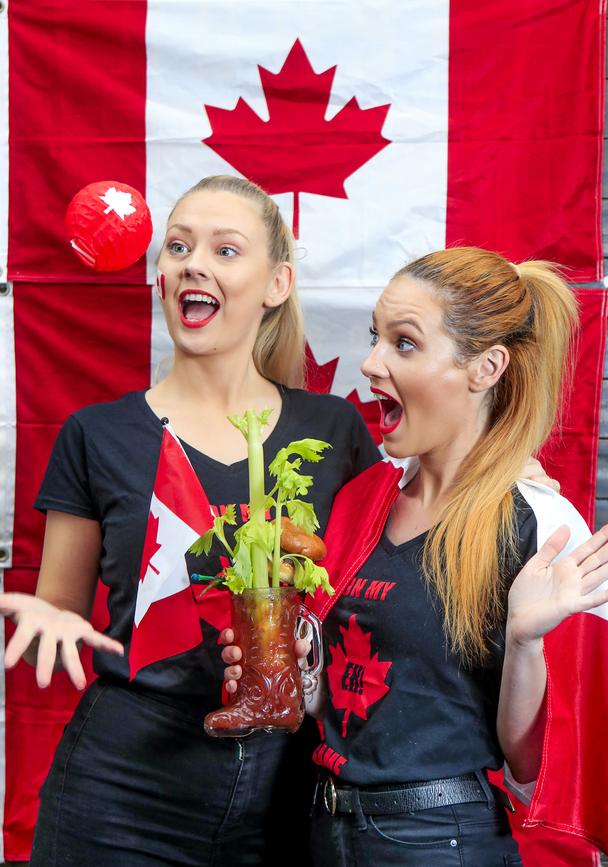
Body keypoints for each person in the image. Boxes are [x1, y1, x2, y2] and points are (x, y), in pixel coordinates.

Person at [0, 175, 380, 866]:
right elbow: (56, 614)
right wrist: (47, 621)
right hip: (122, 789)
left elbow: (384, 597)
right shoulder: (96, 434)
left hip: (291, 790)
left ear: (277, 282)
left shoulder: (336, 430)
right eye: (177, 246)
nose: (192, 262)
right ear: (159, 276)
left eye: (224, 249)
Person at [223, 247, 608, 866]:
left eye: (405, 344)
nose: (370, 363)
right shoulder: (362, 501)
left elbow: (541, 771)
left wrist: (524, 642)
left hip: (441, 842)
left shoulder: (538, 523)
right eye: (375, 338)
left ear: (486, 367)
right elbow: (344, 697)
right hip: (324, 829)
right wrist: (281, 671)